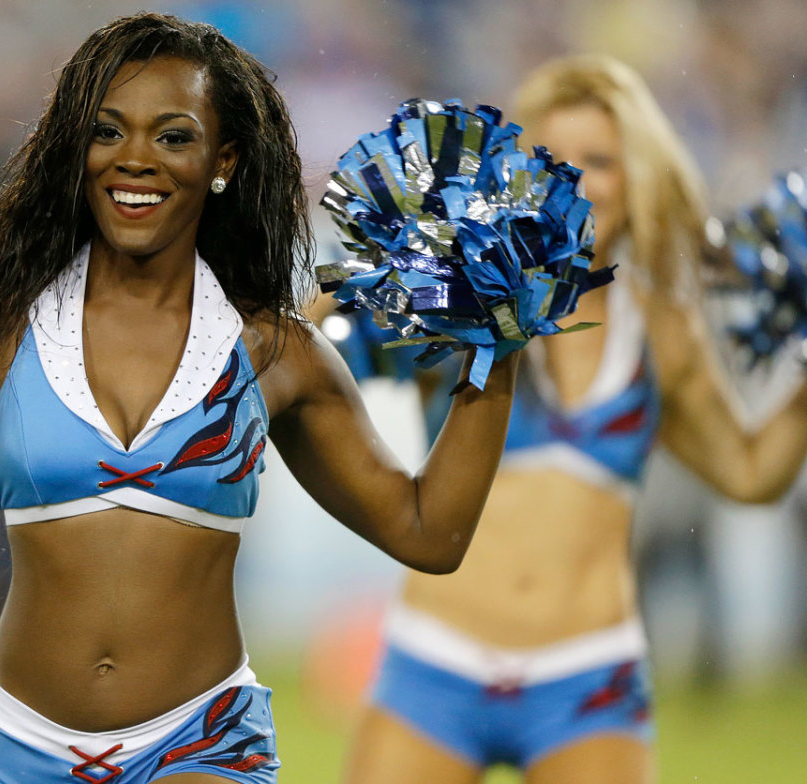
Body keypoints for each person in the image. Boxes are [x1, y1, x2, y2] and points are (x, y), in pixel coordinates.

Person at [0, 13, 520, 784]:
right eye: (108, 132)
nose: (135, 159)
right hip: (20, 749)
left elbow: (428, 534)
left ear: (223, 159)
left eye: (174, 136)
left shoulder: (276, 351)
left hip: (202, 744)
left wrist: (497, 339)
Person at [342, 54, 807, 784]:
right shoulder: (457, 301)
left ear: (638, 179)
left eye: (603, 162)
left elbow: (749, 474)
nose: (578, 182)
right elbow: (327, 343)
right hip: (434, 666)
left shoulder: (662, 328)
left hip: (588, 680)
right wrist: (384, 265)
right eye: (556, 160)